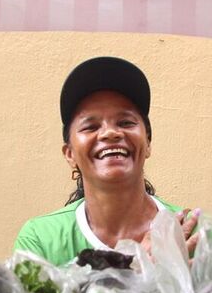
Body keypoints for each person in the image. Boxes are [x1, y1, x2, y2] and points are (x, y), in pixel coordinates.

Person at [14, 56, 199, 266]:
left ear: (147, 143)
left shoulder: (194, 234)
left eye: (126, 122)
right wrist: (136, 270)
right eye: (90, 127)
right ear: (70, 154)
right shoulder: (40, 239)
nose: (110, 133)